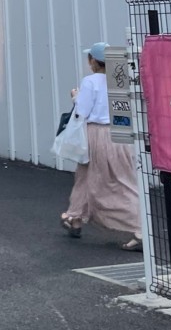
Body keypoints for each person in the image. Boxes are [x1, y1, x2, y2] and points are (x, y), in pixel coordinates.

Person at [60, 42, 142, 250]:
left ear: (93, 61)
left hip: (97, 133)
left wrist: (75, 97)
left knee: (114, 181)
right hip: (122, 133)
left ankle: (141, 230)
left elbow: (82, 111)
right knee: (91, 176)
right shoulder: (123, 80)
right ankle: (74, 216)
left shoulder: (91, 81)